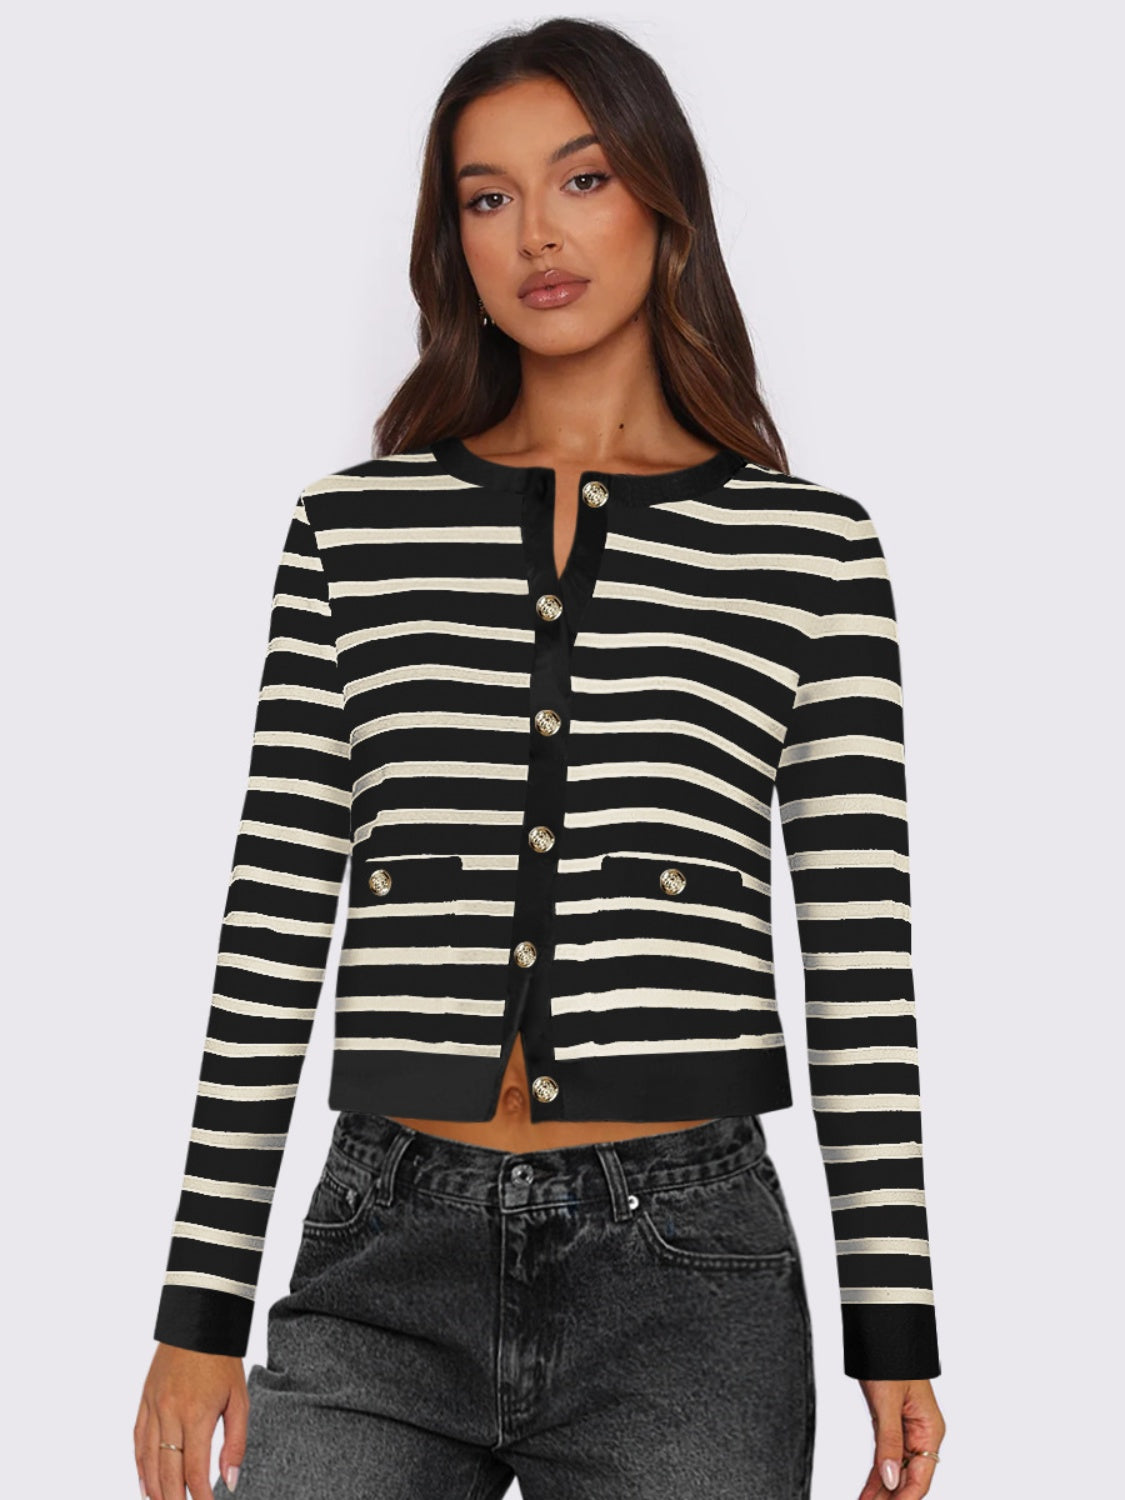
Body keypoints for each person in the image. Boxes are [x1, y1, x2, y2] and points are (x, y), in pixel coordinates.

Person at [135, 17, 946, 1500]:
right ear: (451, 239)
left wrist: (893, 1319)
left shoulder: (811, 551)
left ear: (663, 199)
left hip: (686, 1275)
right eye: (486, 196)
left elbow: (858, 959)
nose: (535, 235)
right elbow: (272, 920)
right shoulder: (351, 533)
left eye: (580, 179)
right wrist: (199, 1310)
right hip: (383, 1246)